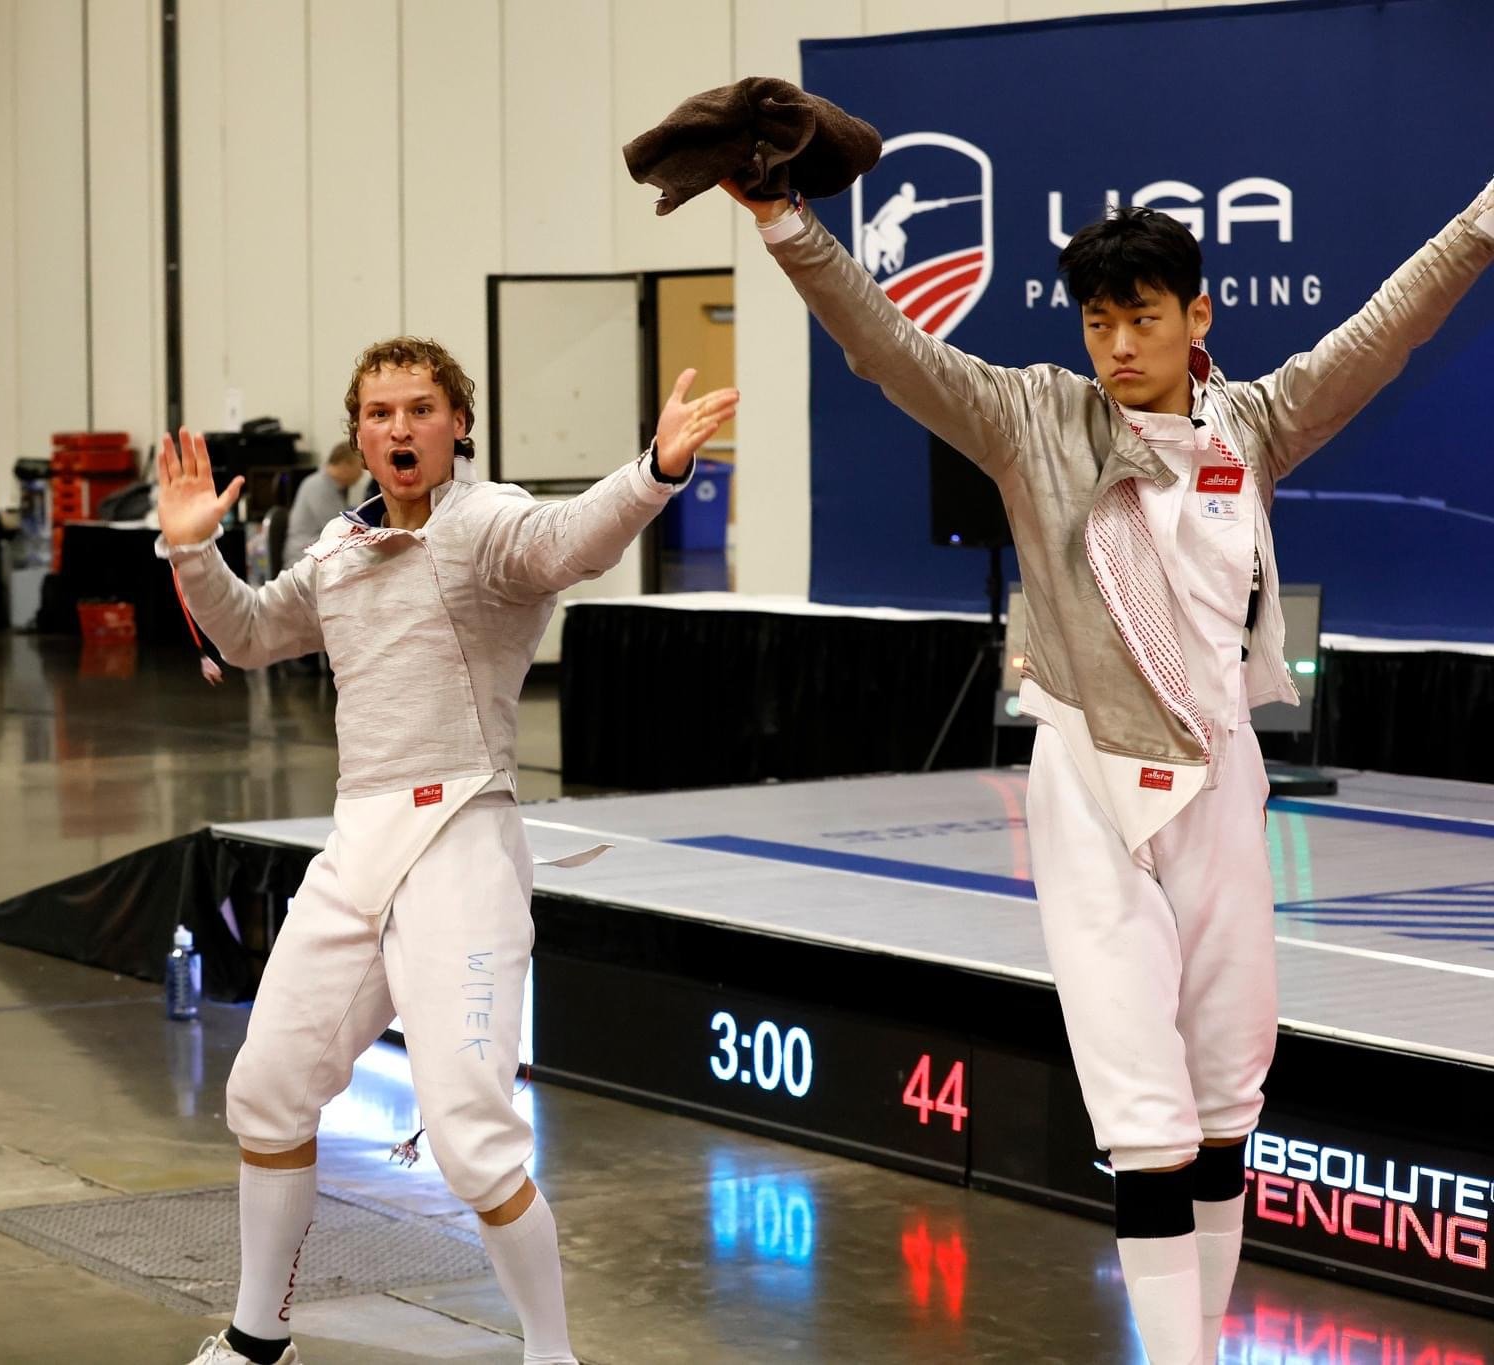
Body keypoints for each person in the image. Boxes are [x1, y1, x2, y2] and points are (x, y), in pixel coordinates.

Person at [723, 164, 1494, 1364]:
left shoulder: (1257, 421)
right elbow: (884, 349)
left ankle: (1204, 1344)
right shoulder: (1031, 418)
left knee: (1226, 1106)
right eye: (1097, 320)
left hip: (1221, 780)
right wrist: (784, 222)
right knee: (1144, 1122)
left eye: (1143, 316)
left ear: (1197, 318)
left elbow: (1385, 330)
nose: (1117, 343)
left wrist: (1483, 220)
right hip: (1089, 787)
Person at [160, 336, 735, 1365]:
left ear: (455, 423)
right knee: (266, 1092)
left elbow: (569, 543)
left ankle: (550, 1355)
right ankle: (258, 1339)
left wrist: (652, 473)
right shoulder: (339, 550)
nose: (397, 429)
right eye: (378, 413)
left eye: (419, 409)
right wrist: (191, 552)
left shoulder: (488, 526)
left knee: (471, 1140)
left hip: (463, 834)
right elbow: (246, 635)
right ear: (358, 434)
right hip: (357, 845)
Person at [279, 442, 364, 573]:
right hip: (304, 560)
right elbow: (342, 530)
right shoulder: (319, 487)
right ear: (345, 465)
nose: (361, 474)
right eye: (360, 467)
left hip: (316, 556)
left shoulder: (333, 487)